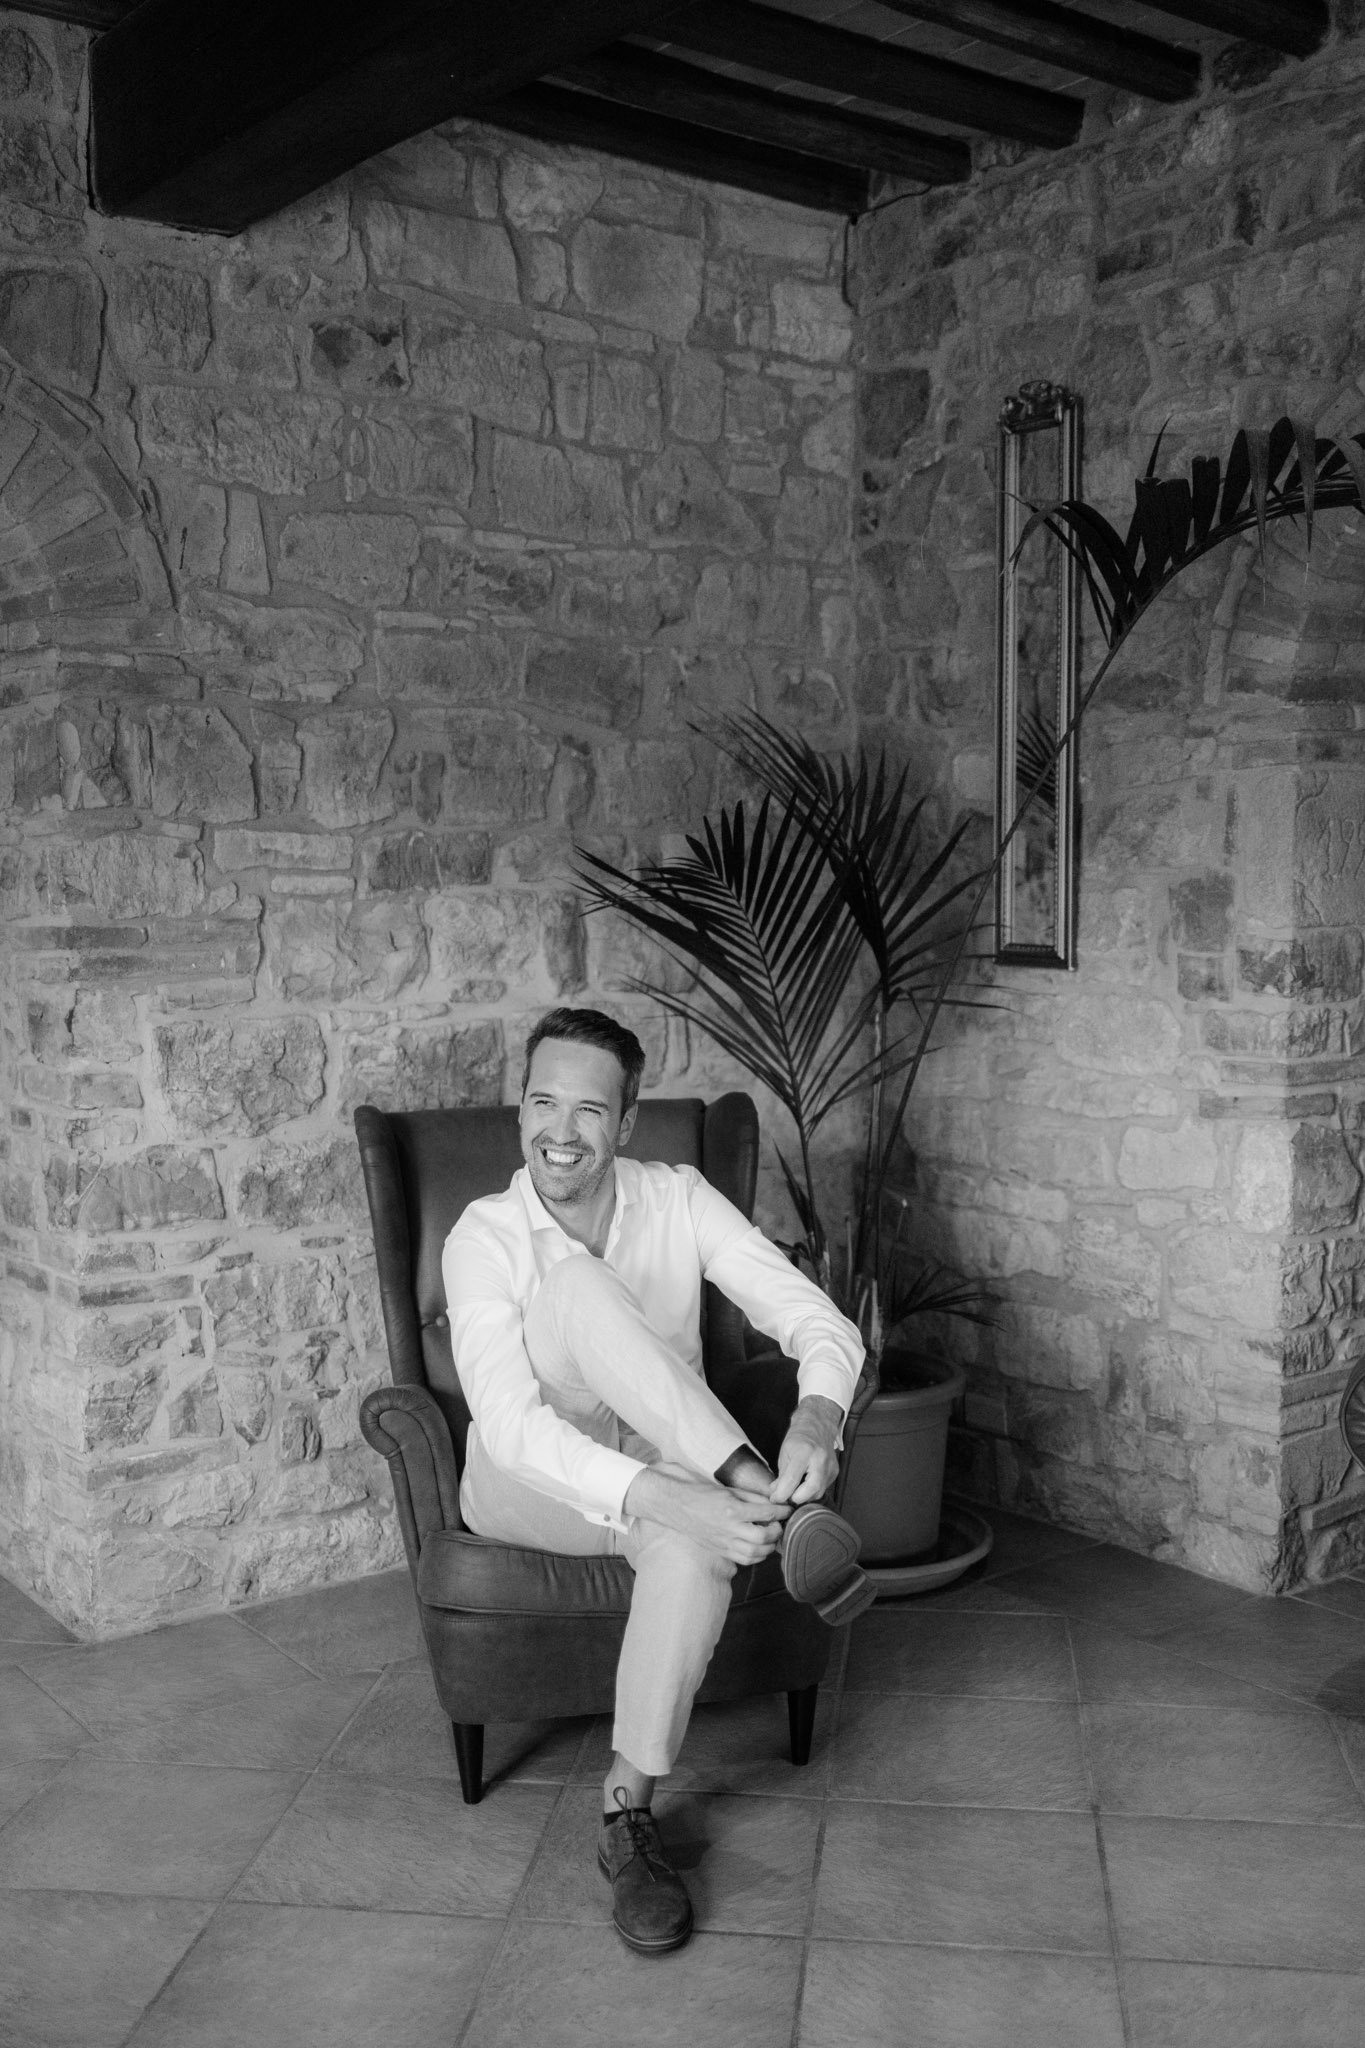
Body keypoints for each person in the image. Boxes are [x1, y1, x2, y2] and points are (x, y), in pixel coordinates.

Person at [442, 1006, 873, 1956]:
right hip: (526, 1486)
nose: (560, 1131)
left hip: (670, 1461)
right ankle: (756, 1489)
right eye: (542, 1102)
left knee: (691, 1547)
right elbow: (512, 1432)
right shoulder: (483, 1236)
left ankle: (626, 1811)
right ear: (521, 1108)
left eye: (589, 1110)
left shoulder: (677, 1198)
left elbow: (817, 1320)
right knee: (576, 1289)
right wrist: (681, 1493)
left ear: (626, 1123)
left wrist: (818, 1413)